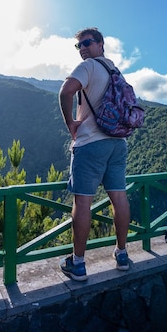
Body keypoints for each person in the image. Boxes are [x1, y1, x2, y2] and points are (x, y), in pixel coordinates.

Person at [58, 27, 131, 281]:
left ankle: (78, 263)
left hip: (91, 143)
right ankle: (122, 254)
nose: (83, 49)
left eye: (87, 43)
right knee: (119, 198)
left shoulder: (88, 67)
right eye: (78, 46)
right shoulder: (115, 70)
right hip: (118, 143)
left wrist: (70, 123)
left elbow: (66, 91)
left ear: (101, 44)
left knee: (83, 202)